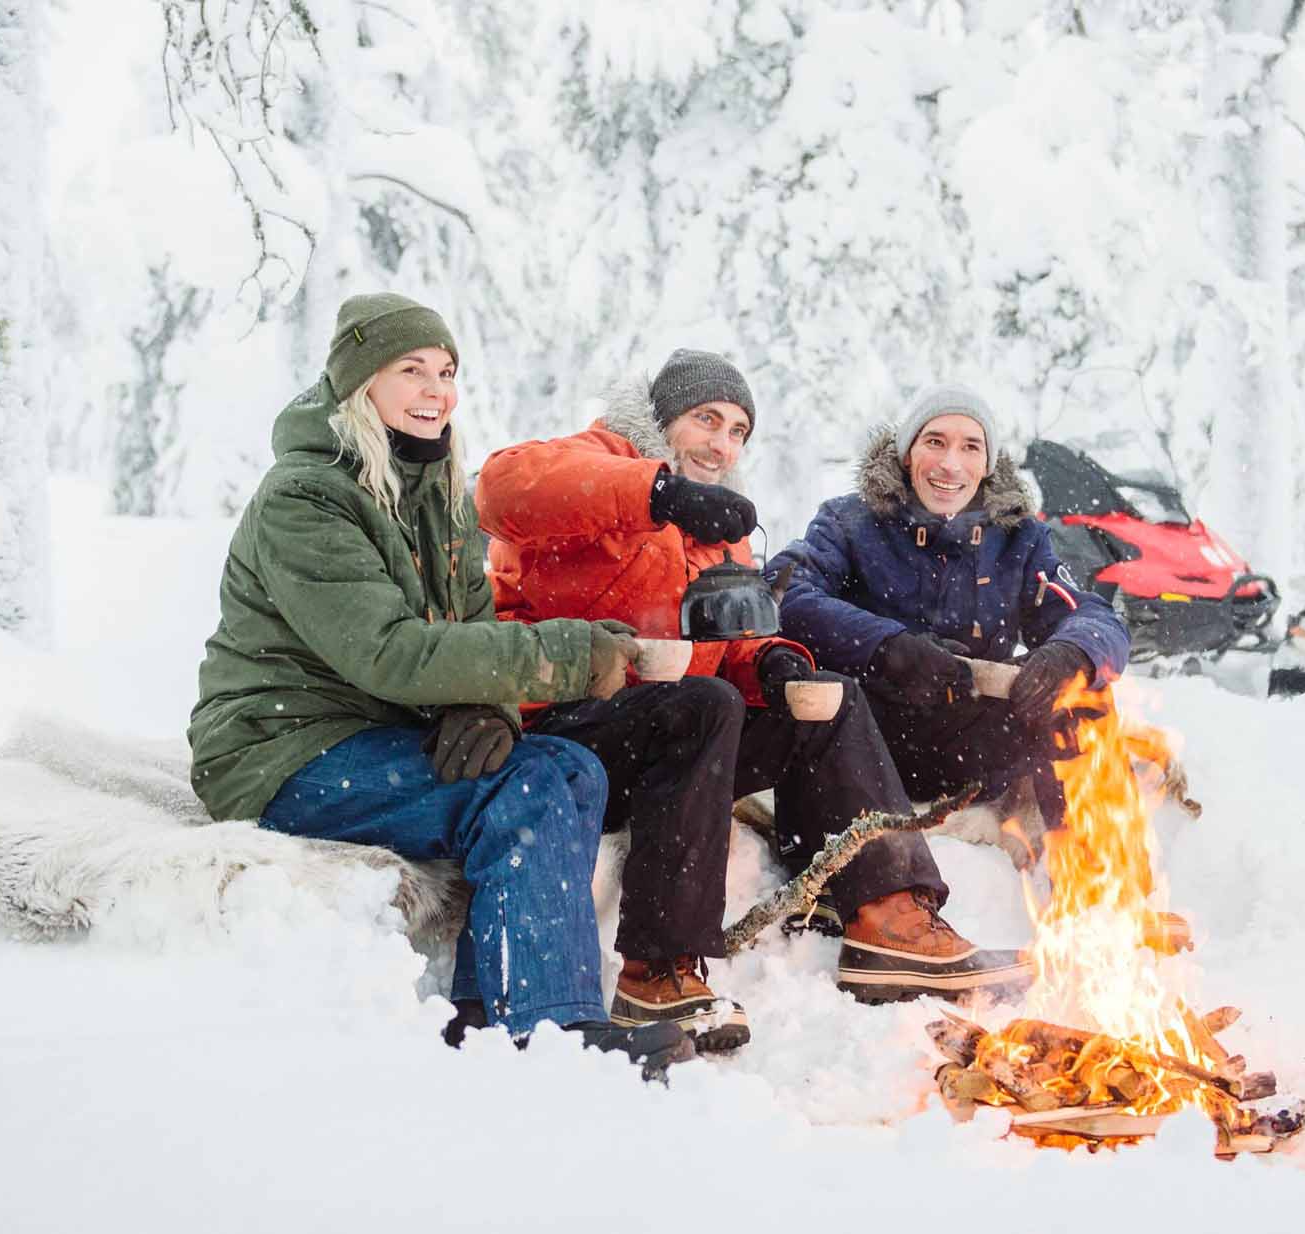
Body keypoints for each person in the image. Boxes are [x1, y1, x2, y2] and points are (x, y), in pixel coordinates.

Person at [188, 292, 688, 1076]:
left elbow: (470, 620)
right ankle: (551, 1031)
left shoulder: (435, 485)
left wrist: (489, 707)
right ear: (361, 384)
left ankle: (490, 1009)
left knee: (570, 767)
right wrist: (567, 653)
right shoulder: (306, 496)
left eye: (446, 371)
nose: (436, 390)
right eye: (411, 370)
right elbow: (389, 652)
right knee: (522, 790)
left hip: (369, 732)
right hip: (280, 750)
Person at [475, 350, 1031, 1051]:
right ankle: (658, 969)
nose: (722, 442)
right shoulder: (597, 459)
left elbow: (731, 638)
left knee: (828, 698)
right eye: (707, 419)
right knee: (701, 703)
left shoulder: (719, 527)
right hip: (563, 728)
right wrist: (657, 492)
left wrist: (775, 665)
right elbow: (499, 490)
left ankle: (890, 916)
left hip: (671, 741)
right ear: (662, 418)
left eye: (738, 430)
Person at [768, 383, 1133, 854]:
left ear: (987, 465)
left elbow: (1092, 616)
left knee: (1083, 691)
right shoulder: (849, 522)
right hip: (866, 739)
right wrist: (890, 647)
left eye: (970, 447)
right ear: (907, 454)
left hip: (973, 746)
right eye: (935, 442)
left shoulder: (1019, 538)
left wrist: (1069, 651)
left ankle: (1097, 884)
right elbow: (785, 590)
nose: (950, 464)